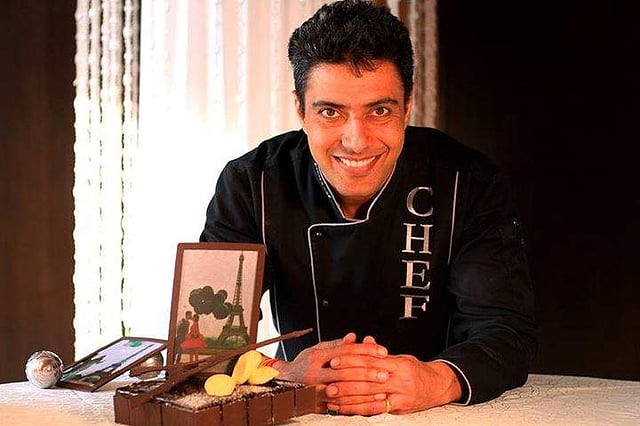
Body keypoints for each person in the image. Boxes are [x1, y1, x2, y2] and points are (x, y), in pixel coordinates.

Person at [200, 0, 537, 416]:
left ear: (408, 105)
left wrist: (435, 380)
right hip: (305, 412)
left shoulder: (468, 181)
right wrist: (285, 374)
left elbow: (507, 332)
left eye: (379, 110)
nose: (356, 141)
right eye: (330, 112)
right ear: (300, 109)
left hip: (438, 415)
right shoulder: (251, 183)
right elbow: (206, 337)